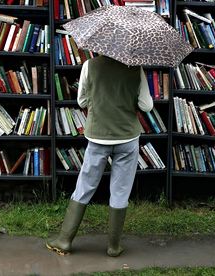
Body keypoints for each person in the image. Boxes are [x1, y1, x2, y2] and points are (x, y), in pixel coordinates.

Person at [46, 55, 153, 257]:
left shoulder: (89, 66)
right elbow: (146, 106)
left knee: (85, 185)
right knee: (120, 191)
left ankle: (64, 240)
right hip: (127, 137)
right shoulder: (135, 68)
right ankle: (113, 246)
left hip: (97, 137)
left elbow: (81, 101)